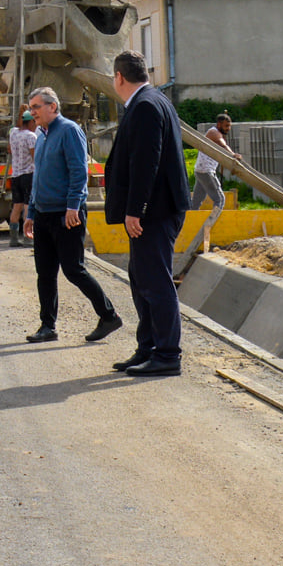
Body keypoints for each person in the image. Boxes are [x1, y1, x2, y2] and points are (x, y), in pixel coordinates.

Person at [102, 52, 189, 377]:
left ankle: (167, 354)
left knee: (155, 282)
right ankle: (148, 348)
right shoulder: (154, 100)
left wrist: (135, 209)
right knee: (142, 280)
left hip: (155, 211)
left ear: (119, 77)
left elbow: (145, 162)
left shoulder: (145, 106)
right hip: (157, 209)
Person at [22, 87, 122, 346]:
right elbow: (38, 176)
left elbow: (78, 171)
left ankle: (109, 316)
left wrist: (73, 207)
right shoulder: (41, 135)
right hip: (43, 214)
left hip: (66, 214)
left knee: (73, 269)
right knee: (45, 273)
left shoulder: (69, 131)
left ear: (52, 106)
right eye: (31, 108)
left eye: (36, 107)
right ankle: (47, 326)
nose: (32, 112)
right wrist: (31, 212)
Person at [190, 112, 232, 252]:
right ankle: (212, 225)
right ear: (219, 124)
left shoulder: (218, 133)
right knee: (220, 199)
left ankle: (189, 225)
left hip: (201, 171)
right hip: (206, 171)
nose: (228, 128)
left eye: (229, 126)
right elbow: (223, 145)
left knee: (196, 202)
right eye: (226, 126)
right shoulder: (214, 132)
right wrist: (233, 155)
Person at [6, 109, 37, 247]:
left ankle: (13, 239)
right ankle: (28, 237)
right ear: (30, 122)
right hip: (28, 175)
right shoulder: (31, 136)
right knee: (28, 206)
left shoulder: (13, 133)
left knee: (16, 207)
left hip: (15, 175)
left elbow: (9, 149)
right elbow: (35, 157)